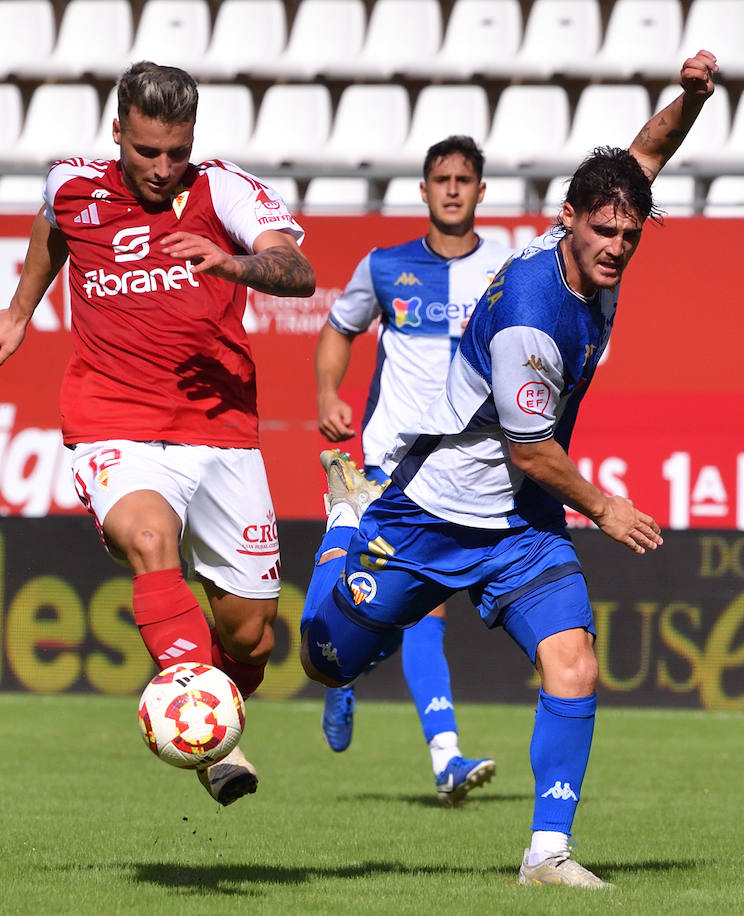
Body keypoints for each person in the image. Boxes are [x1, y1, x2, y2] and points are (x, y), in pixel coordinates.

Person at [299, 51, 719, 887]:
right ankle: (345, 525)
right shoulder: (532, 317)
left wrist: (692, 98)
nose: (619, 247)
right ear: (568, 220)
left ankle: (545, 853)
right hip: (430, 510)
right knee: (325, 661)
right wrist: (606, 507)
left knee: (573, 659)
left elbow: (644, 156)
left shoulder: (598, 226)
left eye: (631, 235)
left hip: (517, 526)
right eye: (605, 233)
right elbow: (532, 449)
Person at [0, 62, 316, 807]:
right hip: (112, 422)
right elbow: (53, 227)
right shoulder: (75, 184)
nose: (162, 168)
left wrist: (235, 262)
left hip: (220, 433)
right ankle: (204, 727)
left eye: (176, 152)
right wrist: (20, 311)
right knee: (150, 541)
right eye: (148, 151)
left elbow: (298, 269)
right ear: (118, 133)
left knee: (251, 640)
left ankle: (214, 699)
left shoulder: (225, 191)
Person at [310, 135, 512, 804]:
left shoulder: (508, 270)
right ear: (423, 191)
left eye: (464, 179)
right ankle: (337, 677)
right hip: (378, 464)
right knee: (342, 586)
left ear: (481, 191)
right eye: (441, 179)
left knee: (422, 616)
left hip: (454, 474)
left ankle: (446, 758)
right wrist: (328, 395)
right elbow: (338, 328)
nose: (452, 189)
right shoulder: (384, 266)